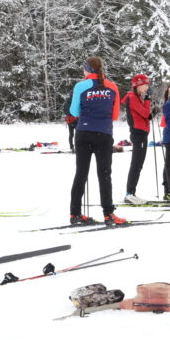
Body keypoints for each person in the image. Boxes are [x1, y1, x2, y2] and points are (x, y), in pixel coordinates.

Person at [68, 56, 125, 225]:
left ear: (87, 70)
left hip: (84, 133)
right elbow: (115, 115)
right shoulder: (113, 87)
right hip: (104, 134)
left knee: (81, 174)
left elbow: (73, 111)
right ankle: (108, 214)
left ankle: (75, 214)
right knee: (105, 175)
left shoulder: (81, 86)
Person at [121, 74, 159, 204]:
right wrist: (148, 99)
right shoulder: (132, 97)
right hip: (138, 134)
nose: (147, 88)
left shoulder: (138, 97)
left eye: (147, 85)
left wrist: (152, 113)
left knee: (138, 164)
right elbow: (144, 113)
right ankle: (129, 193)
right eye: (145, 85)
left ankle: (131, 192)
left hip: (142, 133)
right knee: (136, 164)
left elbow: (146, 116)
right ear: (138, 85)